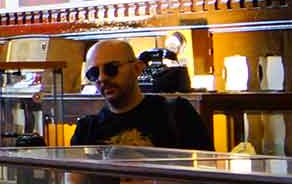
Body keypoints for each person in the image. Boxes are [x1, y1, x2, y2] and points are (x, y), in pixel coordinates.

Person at [69, 38, 211, 149]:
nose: (102, 78)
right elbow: (72, 180)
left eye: (111, 68)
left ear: (137, 69)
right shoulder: (86, 129)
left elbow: (207, 173)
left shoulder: (178, 114)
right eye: (93, 73)